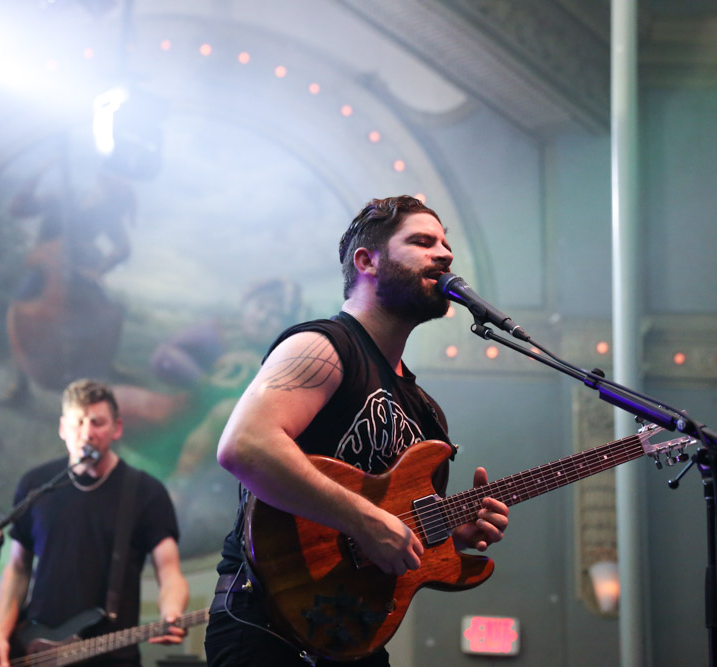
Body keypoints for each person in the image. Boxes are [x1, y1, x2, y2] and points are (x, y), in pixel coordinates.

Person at [203, 195, 511, 667]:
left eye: (446, 245)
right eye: (423, 242)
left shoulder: (426, 414)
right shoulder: (324, 346)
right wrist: (363, 521)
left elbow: (393, 525)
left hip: (354, 637)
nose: (445, 254)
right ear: (367, 261)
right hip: (266, 627)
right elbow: (245, 445)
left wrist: (449, 530)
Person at [0, 379, 190, 667]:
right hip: (36, 648)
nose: (87, 433)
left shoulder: (145, 491)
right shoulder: (36, 485)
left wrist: (172, 613)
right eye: (78, 422)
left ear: (116, 428)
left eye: (97, 422)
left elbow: (169, 571)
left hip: (110, 654)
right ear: (62, 428)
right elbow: (18, 568)